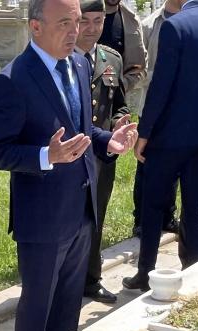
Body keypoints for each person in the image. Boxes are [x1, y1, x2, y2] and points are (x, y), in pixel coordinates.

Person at [0, 0, 137, 331]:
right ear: (35, 27)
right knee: (38, 303)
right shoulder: (11, 80)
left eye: (78, 22)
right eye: (64, 23)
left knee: (70, 299)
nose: (76, 31)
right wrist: (45, 156)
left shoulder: (79, 66)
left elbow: (82, 130)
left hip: (81, 204)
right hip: (42, 214)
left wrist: (108, 141)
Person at [121, 0, 198, 292]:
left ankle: (146, 272)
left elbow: (161, 84)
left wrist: (145, 132)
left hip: (170, 133)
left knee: (153, 204)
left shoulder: (175, 25)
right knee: (196, 206)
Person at [74, 0, 129, 305]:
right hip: (72, 154)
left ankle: (91, 279)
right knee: (71, 219)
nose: (92, 28)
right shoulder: (63, 59)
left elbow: (119, 103)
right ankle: (66, 279)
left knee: (97, 217)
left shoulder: (112, 59)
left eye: (98, 21)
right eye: (85, 21)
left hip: (103, 155)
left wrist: (121, 119)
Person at [130, 0, 184, 241]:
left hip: (182, 108)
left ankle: (167, 215)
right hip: (152, 107)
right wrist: (164, 76)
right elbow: (138, 70)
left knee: (174, 165)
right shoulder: (149, 25)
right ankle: (141, 219)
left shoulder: (194, 21)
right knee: (146, 165)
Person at [95, 0, 146, 109]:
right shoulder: (84, 16)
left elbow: (139, 68)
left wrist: (119, 87)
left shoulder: (131, 21)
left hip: (114, 103)